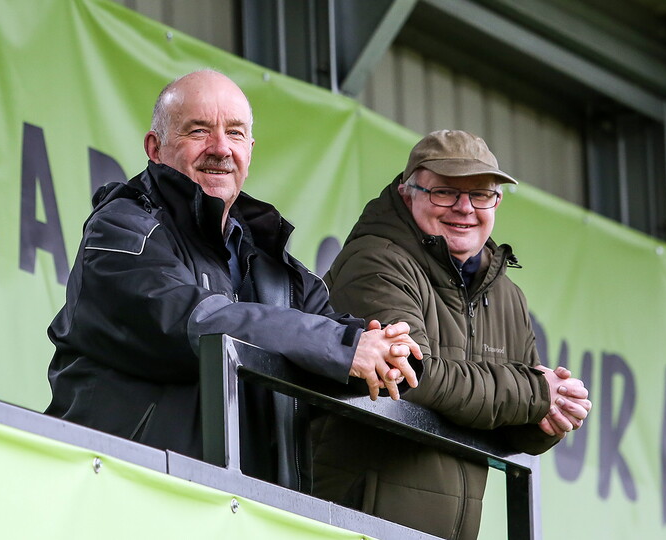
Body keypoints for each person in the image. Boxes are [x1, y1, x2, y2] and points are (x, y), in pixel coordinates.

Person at [44, 70, 421, 489]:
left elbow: (336, 336)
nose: (220, 148)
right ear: (155, 148)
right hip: (125, 492)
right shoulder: (120, 229)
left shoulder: (275, 266)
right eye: (199, 130)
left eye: (235, 133)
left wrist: (388, 351)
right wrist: (345, 347)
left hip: (251, 509)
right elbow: (198, 322)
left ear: (250, 151)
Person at [311, 130, 592, 539]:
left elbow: (511, 415)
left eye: (481, 195)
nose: (465, 208)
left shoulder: (508, 296)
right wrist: (536, 393)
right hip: (353, 524)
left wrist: (551, 414)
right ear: (407, 193)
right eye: (444, 192)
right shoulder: (375, 260)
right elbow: (413, 377)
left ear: (496, 202)